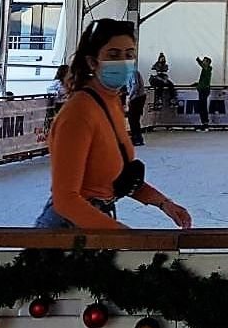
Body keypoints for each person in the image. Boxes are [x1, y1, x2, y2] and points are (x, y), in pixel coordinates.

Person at [35, 19, 192, 230]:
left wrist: (164, 203)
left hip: (96, 221)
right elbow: (65, 200)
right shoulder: (78, 113)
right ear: (92, 62)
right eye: (113, 55)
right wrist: (121, 236)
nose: (123, 62)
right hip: (68, 230)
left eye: (129, 54)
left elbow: (119, 178)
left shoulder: (111, 102)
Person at [125, 63, 147, 147]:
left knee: (132, 119)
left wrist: (130, 97)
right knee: (135, 119)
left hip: (137, 98)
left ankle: (136, 138)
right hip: (138, 97)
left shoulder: (132, 72)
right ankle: (138, 138)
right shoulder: (133, 72)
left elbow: (135, 86)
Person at [194, 56, 214, 130]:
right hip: (202, 89)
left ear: (208, 63)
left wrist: (198, 60)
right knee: (202, 107)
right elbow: (203, 80)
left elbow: (202, 65)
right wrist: (197, 84)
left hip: (204, 90)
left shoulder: (207, 69)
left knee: (203, 107)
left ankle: (205, 123)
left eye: (204, 61)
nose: (203, 61)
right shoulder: (205, 70)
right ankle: (204, 123)